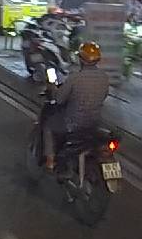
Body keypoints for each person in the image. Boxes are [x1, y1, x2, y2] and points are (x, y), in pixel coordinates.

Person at [41, 41, 110, 171]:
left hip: (73, 124)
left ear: (81, 59)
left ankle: (50, 161)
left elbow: (59, 100)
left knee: (49, 126)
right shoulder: (104, 77)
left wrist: (53, 88)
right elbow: (103, 96)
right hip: (95, 123)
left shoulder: (75, 78)